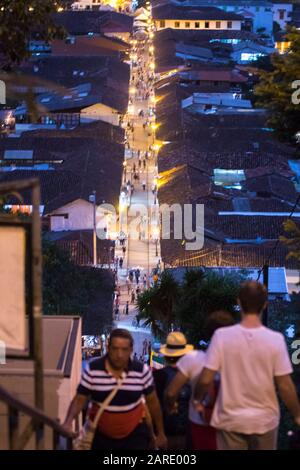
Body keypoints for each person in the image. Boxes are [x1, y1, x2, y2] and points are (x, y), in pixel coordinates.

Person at [194, 281, 300, 450]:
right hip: (265, 421)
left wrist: (197, 400)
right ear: (265, 304)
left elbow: (206, 378)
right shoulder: (275, 339)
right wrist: (297, 415)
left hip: (230, 421)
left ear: (239, 302)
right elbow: (285, 385)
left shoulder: (222, 337)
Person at [62, 329, 167, 450]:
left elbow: (153, 402)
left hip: (135, 438)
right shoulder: (93, 369)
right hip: (101, 439)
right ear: (108, 348)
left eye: (124, 349)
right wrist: (68, 422)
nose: (119, 355)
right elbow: (79, 399)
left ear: (131, 350)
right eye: (115, 349)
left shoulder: (141, 371)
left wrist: (160, 433)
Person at [165, 311, 235, 450]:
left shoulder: (193, 359)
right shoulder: (240, 362)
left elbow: (171, 393)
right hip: (229, 428)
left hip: (199, 426)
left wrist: (171, 406)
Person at [153, 332, 193, 450]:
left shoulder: (157, 376)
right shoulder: (192, 376)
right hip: (188, 435)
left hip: (163, 435)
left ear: (165, 355)